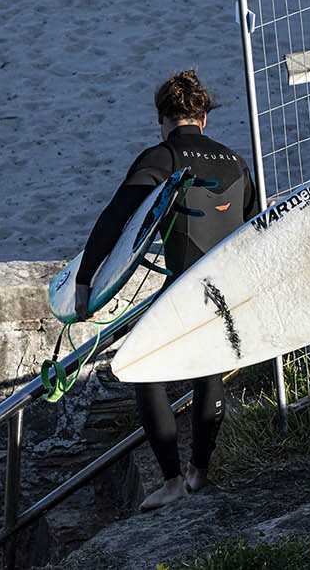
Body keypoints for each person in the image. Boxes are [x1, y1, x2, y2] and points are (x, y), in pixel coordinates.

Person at [73, 69, 260, 510]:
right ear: (204, 118)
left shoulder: (161, 157)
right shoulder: (235, 160)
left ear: (162, 119)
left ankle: (173, 480)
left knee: (142, 366)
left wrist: (85, 280)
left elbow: (114, 218)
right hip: (228, 288)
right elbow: (254, 225)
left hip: (183, 287)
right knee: (209, 369)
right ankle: (200, 471)